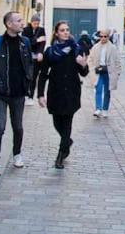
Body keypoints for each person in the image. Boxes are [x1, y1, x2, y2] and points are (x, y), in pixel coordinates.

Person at [0, 11, 33, 177]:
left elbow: (29, 63)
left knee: (18, 127)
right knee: (0, 127)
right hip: (0, 93)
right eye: (18, 21)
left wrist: (28, 80)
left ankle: (17, 154)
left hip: (18, 93)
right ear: (9, 24)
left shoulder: (25, 42)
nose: (22, 23)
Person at [37, 21, 89, 169]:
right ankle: (67, 141)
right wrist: (40, 94)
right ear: (56, 33)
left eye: (67, 30)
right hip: (55, 91)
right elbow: (43, 74)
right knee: (56, 122)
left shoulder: (76, 49)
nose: (66, 32)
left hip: (71, 92)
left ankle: (60, 155)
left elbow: (84, 73)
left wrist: (83, 65)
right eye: (62, 30)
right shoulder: (50, 51)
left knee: (67, 124)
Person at [88, 29, 122, 117]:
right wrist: (92, 69)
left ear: (108, 37)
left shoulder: (112, 48)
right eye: (101, 36)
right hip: (98, 71)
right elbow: (90, 59)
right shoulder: (95, 47)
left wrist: (117, 72)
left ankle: (105, 109)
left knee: (107, 91)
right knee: (98, 89)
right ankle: (98, 108)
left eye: (105, 36)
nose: (103, 38)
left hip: (109, 71)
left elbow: (117, 61)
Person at [22, 14, 47, 106]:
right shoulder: (25, 30)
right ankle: (25, 93)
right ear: (31, 22)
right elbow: (26, 42)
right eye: (35, 23)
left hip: (37, 57)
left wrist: (40, 52)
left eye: (38, 23)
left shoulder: (41, 30)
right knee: (26, 75)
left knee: (34, 76)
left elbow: (43, 42)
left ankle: (30, 96)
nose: (36, 25)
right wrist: (36, 40)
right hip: (27, 56)